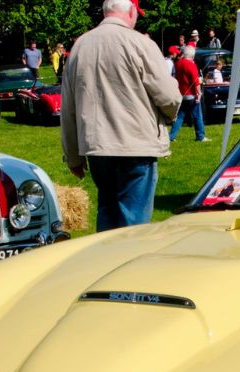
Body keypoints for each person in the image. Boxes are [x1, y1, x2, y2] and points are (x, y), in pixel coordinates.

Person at [60, 0, 181, 231]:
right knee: (134, 223)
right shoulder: (140, 43)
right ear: (131, 12)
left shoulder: (79, 46)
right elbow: (169, 97)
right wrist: (169, 117)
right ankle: (129, 265)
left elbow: (68, 108)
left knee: (107, 211)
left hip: (97, 146)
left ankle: (105, 264)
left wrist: (73, 155)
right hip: (135, 144)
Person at [169, 45, 207, 143]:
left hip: (181, 94)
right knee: (198, 116)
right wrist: (199, 93)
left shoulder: (178, 63)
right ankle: (201, 136)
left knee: (180, 116)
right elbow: (196, 81)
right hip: (191, 95)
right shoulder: (191, 64)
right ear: (192, 55)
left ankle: (171, 136)